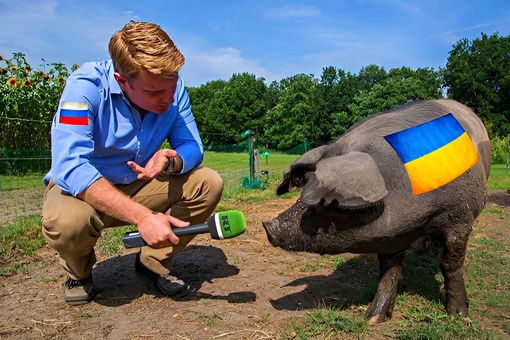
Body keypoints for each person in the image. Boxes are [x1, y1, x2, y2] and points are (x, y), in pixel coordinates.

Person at [41, 20, 224, 306]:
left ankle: (153, 262)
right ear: (122, 80)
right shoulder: (85, 87)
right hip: (84, 192)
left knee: (208, 183)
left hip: (139, 184)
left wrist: (171, 161)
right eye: (154, 93)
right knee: (67, 224)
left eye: (172, 86)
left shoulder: (173, 90)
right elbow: (70, 166)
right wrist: (142, 217)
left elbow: (192, 146)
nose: (168, 99)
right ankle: (78, 272)